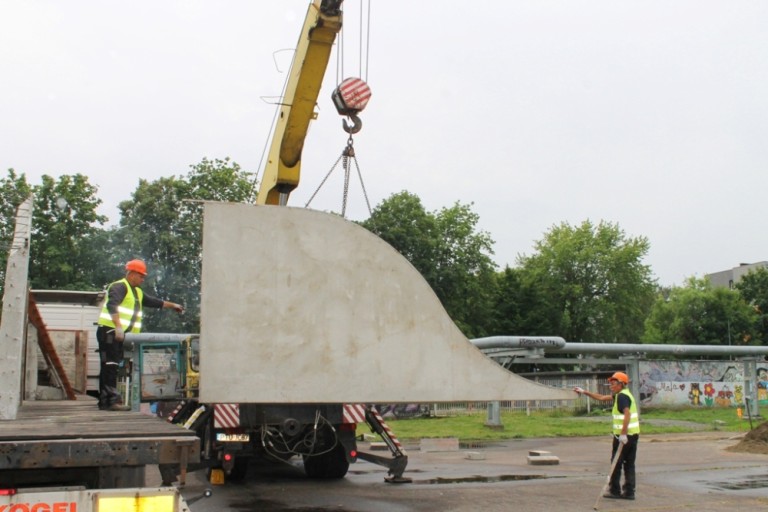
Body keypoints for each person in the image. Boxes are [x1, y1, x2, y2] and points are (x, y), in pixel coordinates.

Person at [97, 259, 184, 411]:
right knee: (109, 366)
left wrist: (173, 306)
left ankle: (107, 401)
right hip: (110, 331)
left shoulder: (136, 292)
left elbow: (155, 302)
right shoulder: (119, 286)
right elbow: (112, 305)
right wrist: (118, 326)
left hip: (120, 334)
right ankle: (109, 402)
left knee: (113, 366)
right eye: (141, 276)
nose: (143, 279)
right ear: (131, 274)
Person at [574, 371, 639, 500]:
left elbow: (627, 414)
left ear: (621, 384)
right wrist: (584, 392)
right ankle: (629, 492)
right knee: (629, 464)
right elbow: (602, 398)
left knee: (615, 463)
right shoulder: (622, 395)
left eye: (613, 383)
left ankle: (614, 491)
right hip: (633, 435)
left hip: (624, 437)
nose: (611, 385)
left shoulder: (622, 397)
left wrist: (623, 434)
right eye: (610, 383)